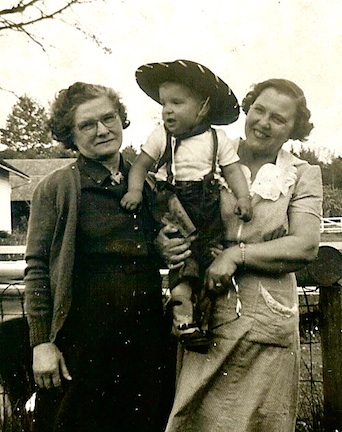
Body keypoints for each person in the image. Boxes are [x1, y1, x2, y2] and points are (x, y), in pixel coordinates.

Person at [156, 78, 323, 432]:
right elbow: (171, 203)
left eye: (278, 118)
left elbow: (305, 245)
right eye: (259, 110)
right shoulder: (211, 153)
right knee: (196, 419)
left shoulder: (302, 174)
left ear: (295, 128)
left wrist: (236, 256)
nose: (263, 122)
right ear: (247, 110)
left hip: (268, 321)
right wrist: (166, 238)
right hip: (207, 315)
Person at [24, 82, 173, 432]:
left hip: (145, 343)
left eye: (109, 118)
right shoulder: (57, 188)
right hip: (82, 346)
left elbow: (167, 246)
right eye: (87, 125)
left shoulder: (150, 184)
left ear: (121, 119)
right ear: (69, 135)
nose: (102, 130)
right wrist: (41, 343)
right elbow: (37, 268)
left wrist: (165, 248)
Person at [121, 59, 252, 352]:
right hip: (176, 207)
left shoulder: (218, 139)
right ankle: (181, 319)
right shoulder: (161, 137)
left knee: (210, 262)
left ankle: (200, 323)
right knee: (182, 263)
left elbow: (232, 171)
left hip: (208, 210)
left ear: (203, 107)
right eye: (164, 104)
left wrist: (243, 198)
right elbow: (140, 166)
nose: (167, 110)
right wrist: (135, 190)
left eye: (177, 103)